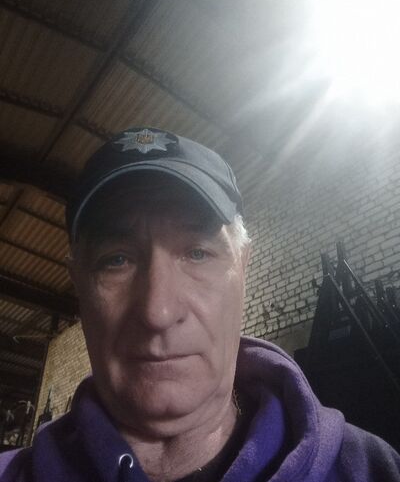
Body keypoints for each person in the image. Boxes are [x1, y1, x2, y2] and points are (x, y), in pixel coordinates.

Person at [0, 126, 399, 482]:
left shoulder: (371, 469)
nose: (158, 312)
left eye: (197, 253)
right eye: (116, 260)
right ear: (78, 287)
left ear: (242, 268)